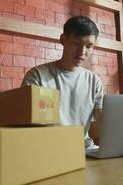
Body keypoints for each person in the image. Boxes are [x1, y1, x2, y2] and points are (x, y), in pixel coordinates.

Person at [21, 16, 103, 149]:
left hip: (85, 149)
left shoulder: (94, 81)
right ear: (63, 40)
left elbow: (103, 121)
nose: (82, 52)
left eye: (89, 46)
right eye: (77, 43)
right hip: (52, 150)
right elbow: (29, 126)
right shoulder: (38, 76)